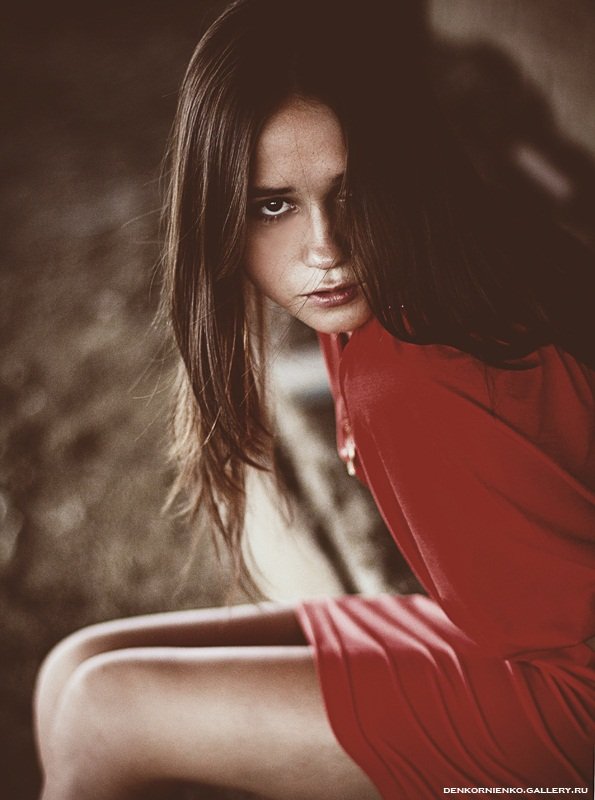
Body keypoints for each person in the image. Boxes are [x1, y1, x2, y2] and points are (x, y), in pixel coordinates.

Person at [34, 1, 595, 798]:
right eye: (273, 204)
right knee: (76, 666)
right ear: (215, 211)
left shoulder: (411, 372)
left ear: (402, 172)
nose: (325, 249)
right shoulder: (417, 284)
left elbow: (561, 644)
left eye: (351, 193)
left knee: (103, 709)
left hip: (569, 699)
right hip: (527, 644)